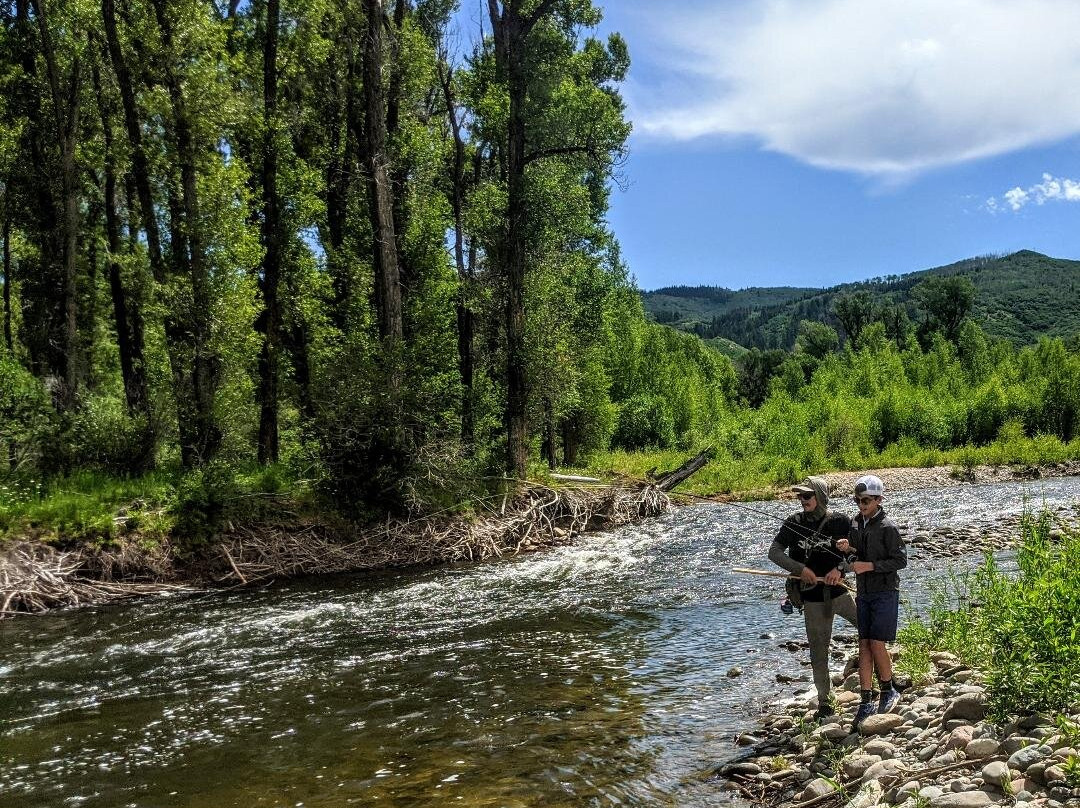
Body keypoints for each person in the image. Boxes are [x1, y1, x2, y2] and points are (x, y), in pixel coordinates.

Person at [769, 476, 857, 721]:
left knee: (870, 630)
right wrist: (799, 569)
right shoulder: (792, 523)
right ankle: (825, 703)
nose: (803, 499)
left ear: (820, 496)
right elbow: (773, 552)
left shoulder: (841, 521)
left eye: (808, 495)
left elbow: (857, 552)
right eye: (800, 496)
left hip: (840, 592)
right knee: (819, 653)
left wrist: (840, 569)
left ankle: (882, 682)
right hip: (812, 599)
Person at [836, 474, 907, 731]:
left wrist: (870, 566)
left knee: (877, 643)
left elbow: (900, 561)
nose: (861, 505)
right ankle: (866, 699)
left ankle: (888, 690)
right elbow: (858, 551)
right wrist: (848, 548)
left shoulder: (888, 527)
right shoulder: (856, 523)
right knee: (863, 644)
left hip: (885, 591)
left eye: (866, 500)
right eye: (857, 500)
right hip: (864, 592)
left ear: (878, 499)